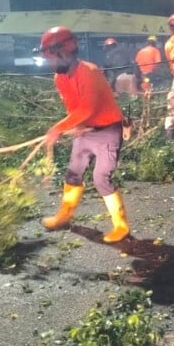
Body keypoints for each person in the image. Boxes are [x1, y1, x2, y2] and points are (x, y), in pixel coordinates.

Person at [36, 26, 130, 244]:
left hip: (108, 131)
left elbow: (87, 108)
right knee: (73, 174)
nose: (51, 63)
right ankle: (64, 216)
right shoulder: (59, 79)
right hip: (86, 132)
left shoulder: (89, 72)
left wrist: (57, 128)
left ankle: (121, 225)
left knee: (101, 177)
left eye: (52, 57)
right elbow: (75, 110)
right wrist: (72, 126)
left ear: (65, 51)